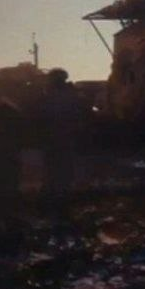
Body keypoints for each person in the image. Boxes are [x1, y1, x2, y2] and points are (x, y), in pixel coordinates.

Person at [39, 68, 84, 197]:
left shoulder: (52, 97)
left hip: (57, 139)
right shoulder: (72, 96)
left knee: (55, 171)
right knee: (62, 171)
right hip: (64, 139)